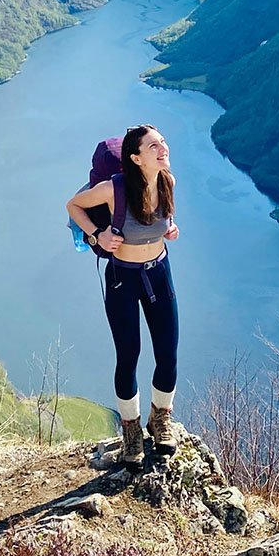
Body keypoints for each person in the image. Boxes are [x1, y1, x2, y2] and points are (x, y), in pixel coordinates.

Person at [66, 124, 180, 468]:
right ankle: (131, 431)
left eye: (163, 142)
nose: (162, 149)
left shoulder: (167, 181)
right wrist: (97, 235)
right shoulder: (113, 189)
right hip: (122, 280)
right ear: (135, 157)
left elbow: (161, 220)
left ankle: (160, 420)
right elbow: (73, 205)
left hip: (159, 274)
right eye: (153, 146)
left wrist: (170, 228)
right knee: (128, 355)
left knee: (168, 353)